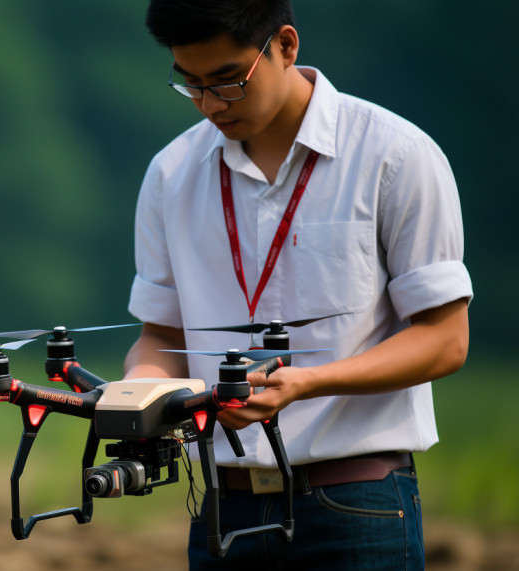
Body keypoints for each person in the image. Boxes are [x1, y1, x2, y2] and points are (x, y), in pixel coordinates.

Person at [123, 0, 472, 568]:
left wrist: (305, 384)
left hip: (356, 507)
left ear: (286, 45)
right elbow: (161, 336)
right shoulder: (171, 172)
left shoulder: (396, 156)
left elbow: (445, 339)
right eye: (191, 85)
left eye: (228, 82)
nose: (211, 105)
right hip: (220, 507)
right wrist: (140, 391)